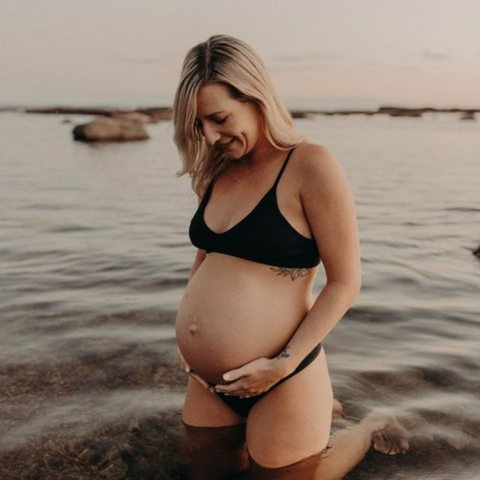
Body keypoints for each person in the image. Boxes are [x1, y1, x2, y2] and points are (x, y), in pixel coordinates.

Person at [172, 34, 408, 480]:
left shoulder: (310, 165)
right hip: (207, 381)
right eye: (199, 125)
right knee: (205, 470)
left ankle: (366, 425)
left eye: (220, 119)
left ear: (256, 97)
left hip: (284, 372)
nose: (210, 136)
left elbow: (345, 282)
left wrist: (281, 365)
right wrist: (189, 335)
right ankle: (319, 411)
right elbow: (208, 255)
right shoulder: (218, 172)